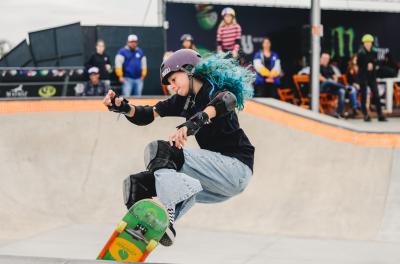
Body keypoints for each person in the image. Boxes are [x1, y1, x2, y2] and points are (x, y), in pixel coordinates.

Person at [103, 49, 255, 247]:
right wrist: (123, 108)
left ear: (189, 70)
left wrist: (194, 122)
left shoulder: (213, 89)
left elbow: (227, 100)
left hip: (236, 168)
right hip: (213, 182)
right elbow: (148, 114)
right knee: (136, 184)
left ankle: (168, 215)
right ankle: (142, 231)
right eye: (169, 84)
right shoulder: (183, 100)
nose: (172, 87)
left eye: (174, 80)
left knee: (160, 149)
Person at [357, 34, 387, 122]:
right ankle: (365, 115)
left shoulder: (374, 51)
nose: (368, 44)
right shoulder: (361, 53)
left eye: (369, 42)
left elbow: (377, 62)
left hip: (372, 77)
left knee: (377, 96)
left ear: (371, 43)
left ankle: (380, 115)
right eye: (366, 43)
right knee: (364, 96)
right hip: (363, 76)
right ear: (363, 43)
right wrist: (366, 65)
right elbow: (359, 64)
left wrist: (372, 64)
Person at [319, 52, 358, 118]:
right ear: (320, 59)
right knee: (329, 81)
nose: (326, 60)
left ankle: (339, 112)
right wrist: (329, 82)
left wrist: (333, 82)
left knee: (341, 91)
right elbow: (319, 77)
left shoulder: (329, 67)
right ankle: (345, 87)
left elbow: (335, 76)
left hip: (331, 87)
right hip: (321, 87)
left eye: (327, 59)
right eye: (324, 58)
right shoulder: (317, 66)